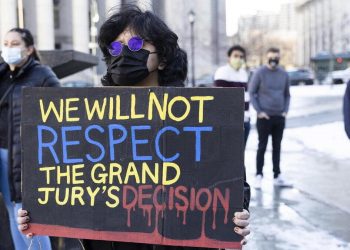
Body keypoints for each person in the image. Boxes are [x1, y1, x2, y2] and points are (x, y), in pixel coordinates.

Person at [17, 5, 250, 249]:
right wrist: (39, 212)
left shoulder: (198, 117)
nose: (124, 53)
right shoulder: (90, 121)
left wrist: (238, 215)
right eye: (116, 47)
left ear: (163, 58)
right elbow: (68, 187)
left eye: (137, 46)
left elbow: (231, 183)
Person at [0, 28, 59, 250]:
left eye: (14, 43)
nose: (8, 48)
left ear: (29, 48)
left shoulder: (42, 75)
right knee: (10, 211)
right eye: (5, 43)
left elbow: (60, 114)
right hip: (2, 153)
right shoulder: (2, 73)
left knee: (25, 214)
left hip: (24, 157)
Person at [249, 47, 291, 189]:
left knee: (277, 146)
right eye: (271, 57)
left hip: (279, 117)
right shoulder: (259, 73)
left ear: (279, 58)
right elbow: (252, 92)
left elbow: (287, 94)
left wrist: (285, 110)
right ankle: (259, 175)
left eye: (276, 57)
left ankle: (277, 175)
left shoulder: (284, 74)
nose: (273, 59)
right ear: (267, 57)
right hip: (264, 118)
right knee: (262, 146)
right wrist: (259, 111)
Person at [214, 45, 251, 148]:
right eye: (235, 56)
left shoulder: (244, 73)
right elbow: (220, 99)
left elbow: (246, 96)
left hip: (245, 120)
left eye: (241, 57)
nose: (238, 59)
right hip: (230, 123)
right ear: (229, 57)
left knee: (240, 156)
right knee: (229, 156)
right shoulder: (222, 72)